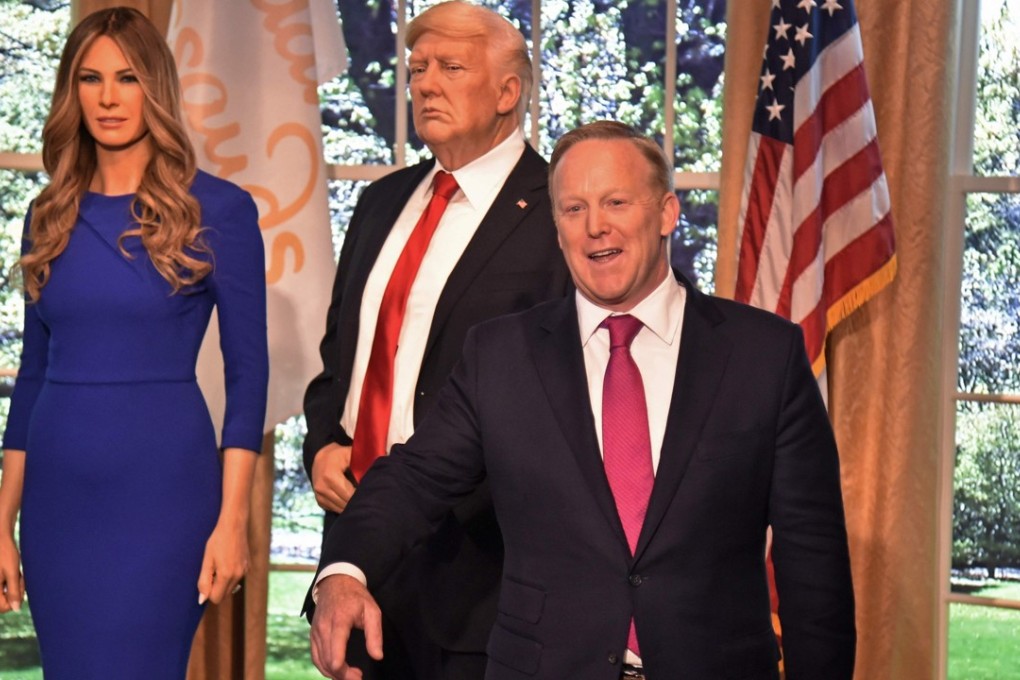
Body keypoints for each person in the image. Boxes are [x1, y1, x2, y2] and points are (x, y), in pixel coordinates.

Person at [308, 121, 857, 680]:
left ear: (666, 212)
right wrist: (344, 571)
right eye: (573, 209)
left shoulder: (764, 354)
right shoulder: (501, 355)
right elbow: (410, 480)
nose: (595, 227)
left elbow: (813, 561)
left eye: (616, 202)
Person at [301, 1, 570, 677]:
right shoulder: (381, 202)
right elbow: (341, 362)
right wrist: (321, 447)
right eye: (417, 68)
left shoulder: (560, 213)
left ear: (510, 91)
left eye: (450, 67)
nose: (423, 84)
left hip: (478, 578)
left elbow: (564, 401)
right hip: (359, 559)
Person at [0, 8, 268, 679]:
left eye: (127, 77)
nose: (109, 96)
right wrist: (2, 520)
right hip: (57, 500)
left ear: (156, 88)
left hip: (163, 495)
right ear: (72, 92)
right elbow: (31, 377)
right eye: (90, 78)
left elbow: (248, 377)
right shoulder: (48, 216)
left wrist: (233, 519)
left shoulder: (219, 211)